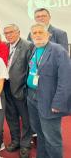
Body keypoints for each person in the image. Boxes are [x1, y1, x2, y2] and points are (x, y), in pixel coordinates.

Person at [26, 23, 71, 158]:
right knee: (40, 134)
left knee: (52, 138)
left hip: (49, 99)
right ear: (31, 36)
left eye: (41, 32)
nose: (38, 35)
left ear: (48, 35)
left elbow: (66, 79)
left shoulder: (58, 51)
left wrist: (58, 103)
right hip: (32, 97)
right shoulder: (35, 49)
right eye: (35, 33)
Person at [3, 24, 33, 158]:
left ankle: (25, 145)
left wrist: (26, 88)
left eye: (11, 32)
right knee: (11, 116)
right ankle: (15, 140)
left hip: (21, 89)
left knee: (26, 119)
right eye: (6, 33)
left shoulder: (28, 46)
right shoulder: (5, 46)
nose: (8, 35)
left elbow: (31, 69)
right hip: (6, 87)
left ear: (18, 32)